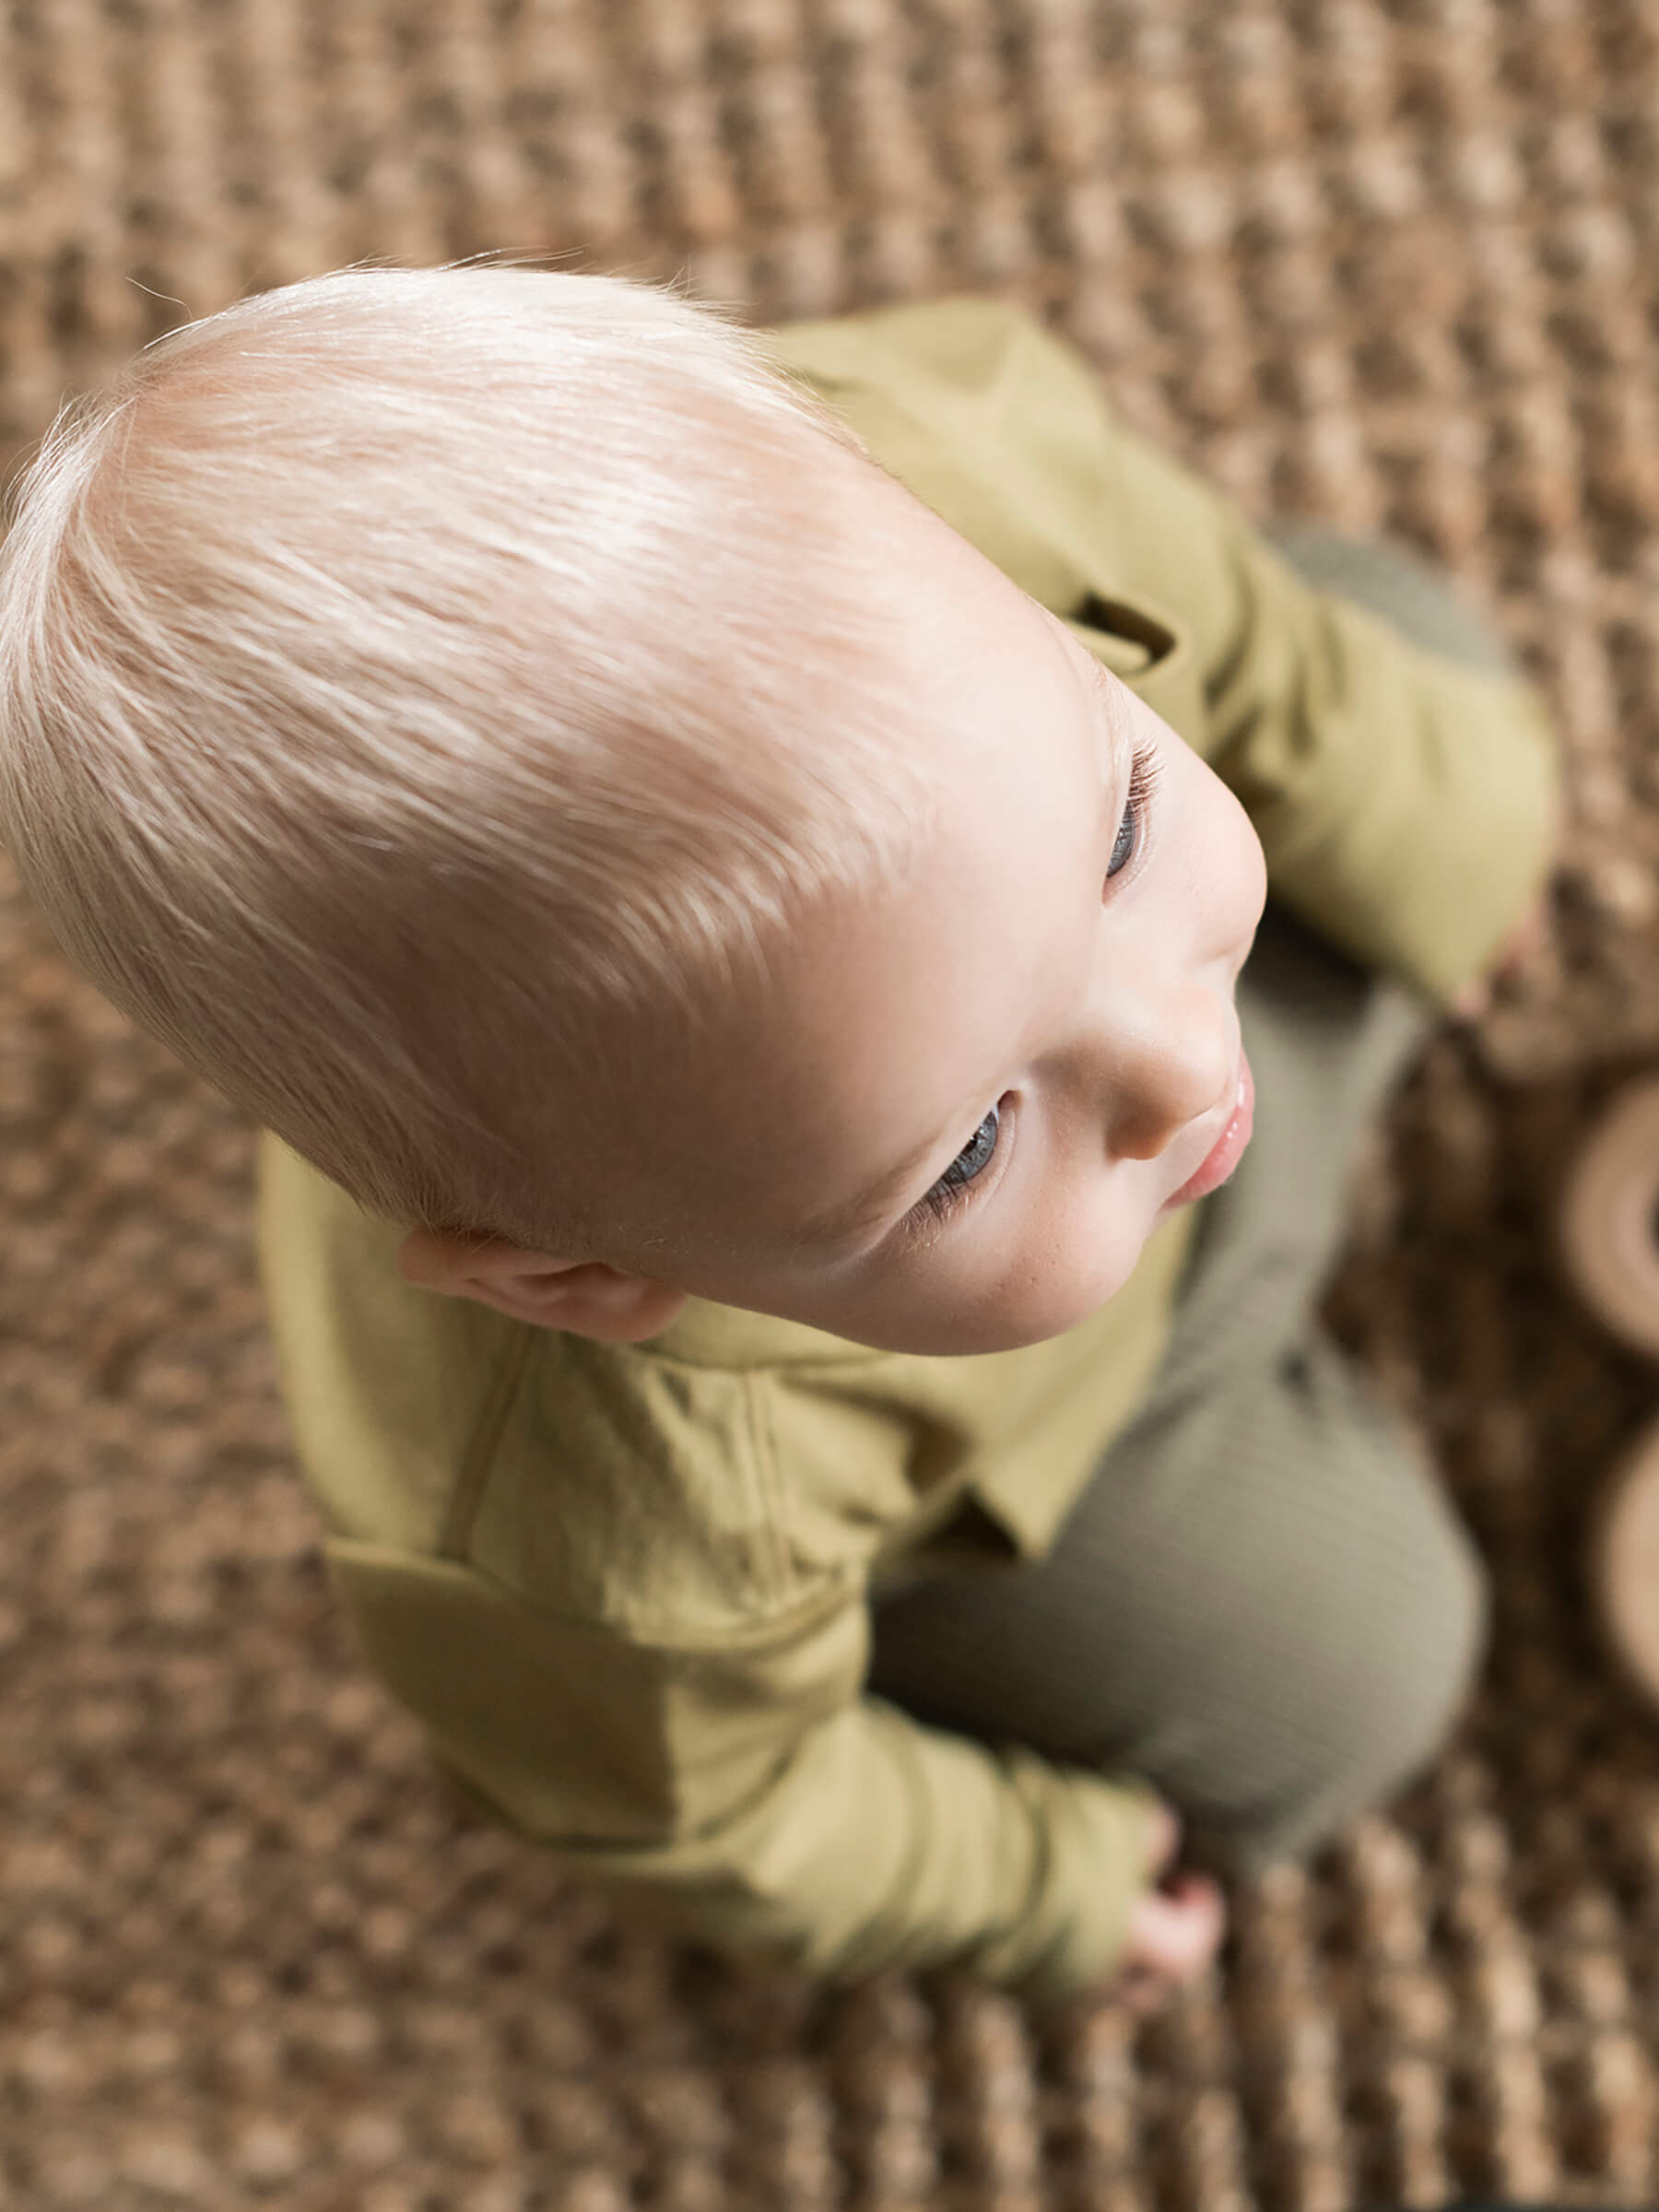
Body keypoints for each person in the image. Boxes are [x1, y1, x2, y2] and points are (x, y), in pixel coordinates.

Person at [0, 265, 1557, 2006]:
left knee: (1406, 663)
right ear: (584, 1280)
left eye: (1120, 824)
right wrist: (1029, 1879)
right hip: (1032, 1469)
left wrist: (1439, 835)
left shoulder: (928, 470)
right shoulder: (601, 1546)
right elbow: (710, 1810)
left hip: (1034, 1237)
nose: (1186, 1073)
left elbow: (1218, 614)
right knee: (1365, 1677)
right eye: (965, 1151)